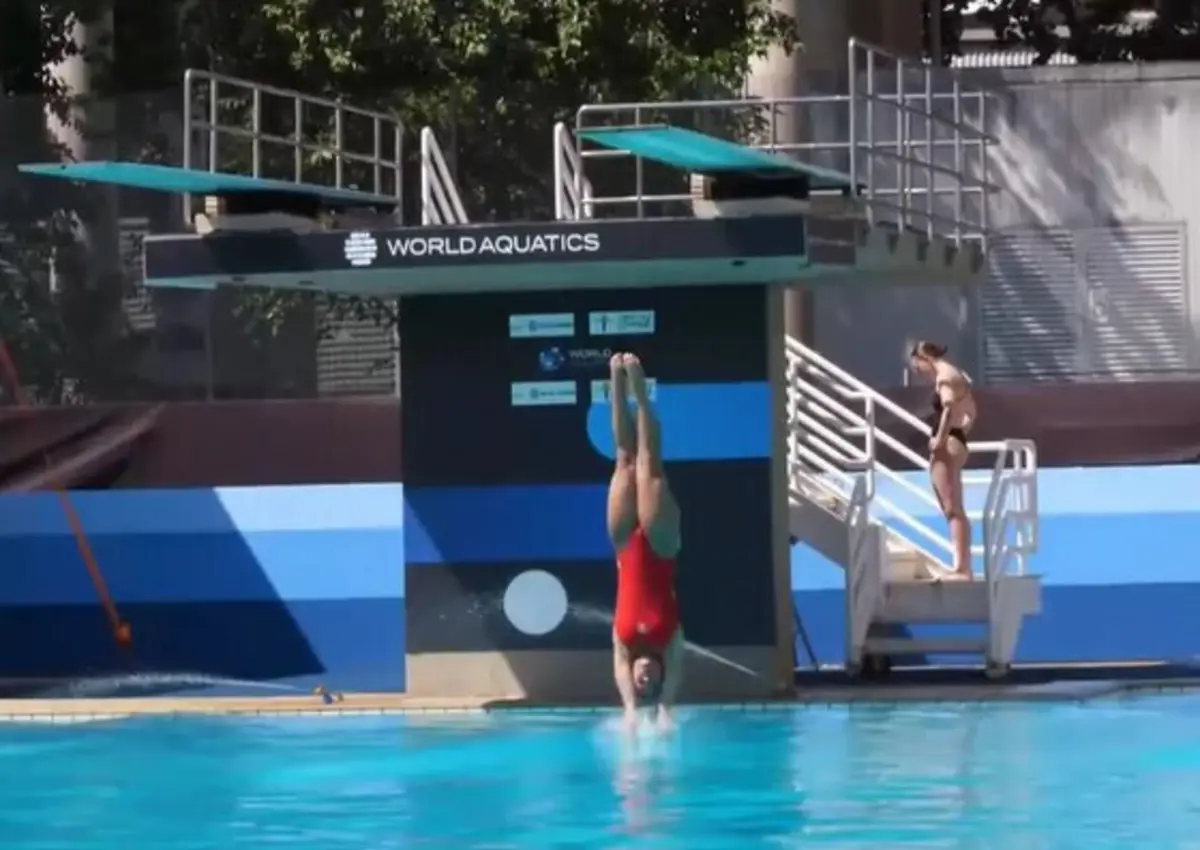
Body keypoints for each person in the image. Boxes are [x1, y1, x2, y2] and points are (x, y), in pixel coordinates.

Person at [607, 352, 683, 730]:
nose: (645, 677)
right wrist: (664, 708)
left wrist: (631, 711)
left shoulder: (622, 642)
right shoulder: (670, 639)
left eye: (642, 683)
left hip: (624, 545)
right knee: (649, 461)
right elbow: (676, 677)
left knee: (624, 460)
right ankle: (640, 384)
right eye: (653, 681)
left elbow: (619, 671)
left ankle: (616, 382)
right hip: (662, 545)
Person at [909, 341, 977, 580]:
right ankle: (963, 564)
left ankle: (961, 567)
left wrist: (940, 438)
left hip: (947, 444)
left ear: (924, 358)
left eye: (917, 366)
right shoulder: (958, 376)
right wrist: (962, 430)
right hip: (956, 440)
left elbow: (948, 408)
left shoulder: (944, 378)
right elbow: (971, 410)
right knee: (955, 506)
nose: (918, 372)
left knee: (951, 508)